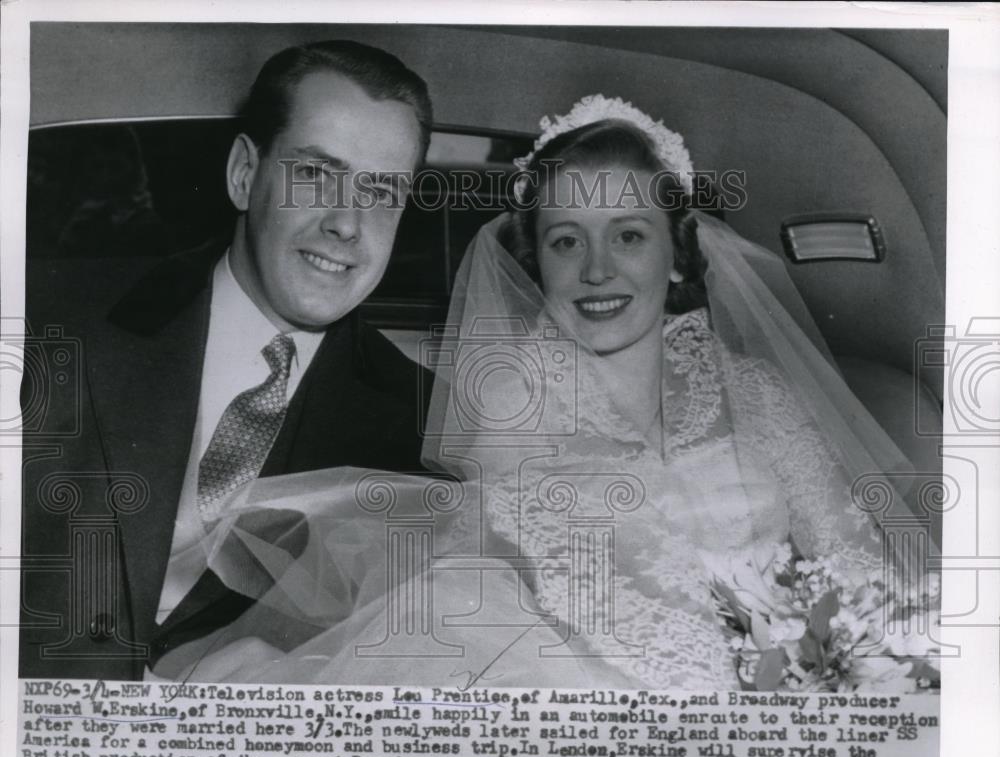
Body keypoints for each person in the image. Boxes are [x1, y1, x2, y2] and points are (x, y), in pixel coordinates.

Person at [149, 96, 921, 690]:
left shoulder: (757, 390)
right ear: (536, 267)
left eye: (628, 235)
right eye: (565, 240)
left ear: (678, 258)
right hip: (579, 679)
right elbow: (520, 586)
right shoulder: (513, 397)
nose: (596, 270)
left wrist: (853, 664)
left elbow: (854, 562)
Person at [19, 40, 435, 680]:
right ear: (245, 175)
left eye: (381, 191)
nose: (348, 223)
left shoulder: (426, 426)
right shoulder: (42, 316)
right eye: (316, 174)